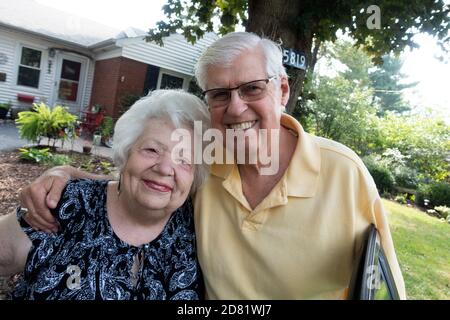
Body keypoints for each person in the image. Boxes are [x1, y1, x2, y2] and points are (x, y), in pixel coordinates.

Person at [19, 32, 406, 299]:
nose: (236, 108)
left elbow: (382, 283)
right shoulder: (205, 162)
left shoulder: (343, 173)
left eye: (252, 88)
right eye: (220, 94)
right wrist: (66, 175)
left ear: (282, 90)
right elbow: (148, 180)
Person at [0, 89, 210, 300]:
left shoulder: (198, 224)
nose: (165, 169)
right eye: (152, 150)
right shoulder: (69, 203)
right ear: (126, 152)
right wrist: (65, 173)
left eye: (184, 160)